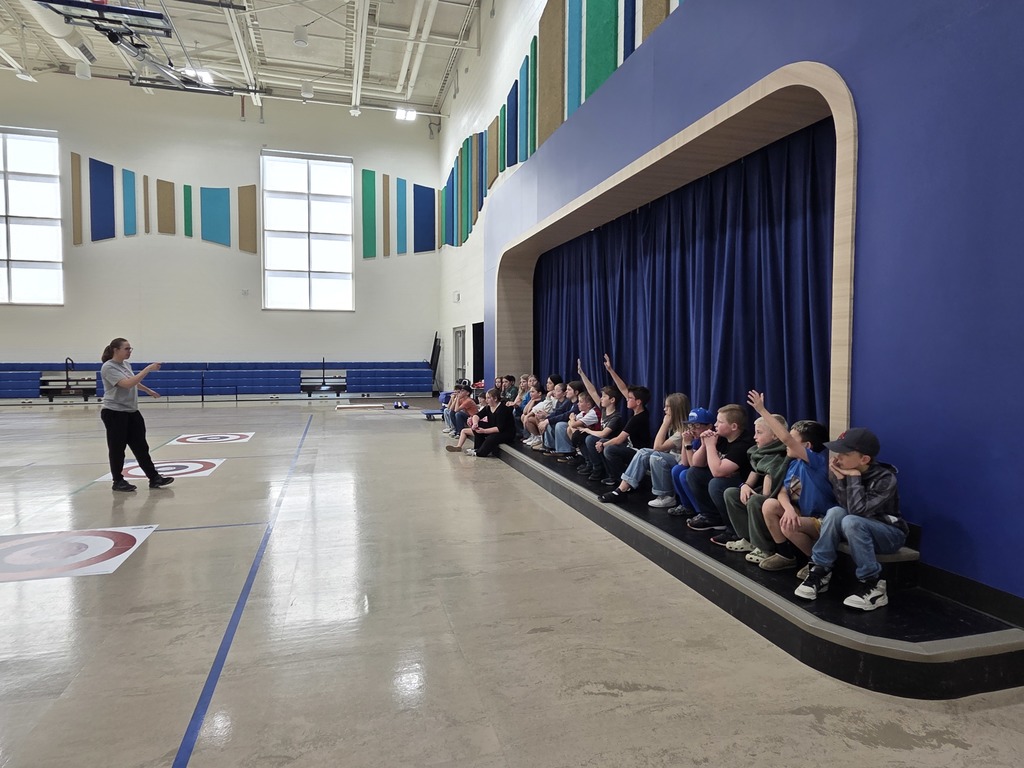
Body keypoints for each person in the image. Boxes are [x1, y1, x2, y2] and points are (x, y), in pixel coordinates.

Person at [794, 428, 908, 611]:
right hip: (859, 528)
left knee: (850, 520)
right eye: (837, 453)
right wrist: (840, 480)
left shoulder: (886, 478)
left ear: (864, 459)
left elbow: (857, 512)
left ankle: (873, 584)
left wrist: (852, 479)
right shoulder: (844, 472)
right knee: (835, 512)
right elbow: (846, 508)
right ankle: (820, 571)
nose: (837, 458)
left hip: (890, 534)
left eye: (845, 454)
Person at [746, 390, 834, 571]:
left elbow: (785, 437)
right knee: (770, 505)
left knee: (788, 526)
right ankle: (786, 554)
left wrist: (762, 410)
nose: (785, 443)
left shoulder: (817, 461)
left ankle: (818, 564)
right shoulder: (795, 464)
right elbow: (784, 491)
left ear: (807, 446)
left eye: (792, 441)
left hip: (823, 520)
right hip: (804, 514)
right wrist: (788, 509)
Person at [99, 338, 174, 492]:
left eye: (130, 348)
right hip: (115, 413)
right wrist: (147, 369)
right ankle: (118, 480)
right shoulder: (108, 367)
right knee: (117, 448)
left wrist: (147, 390)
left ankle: (154, 477)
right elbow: (126, 384)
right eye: (126, 348)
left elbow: (132, 381)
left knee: (141, 446)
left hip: (131, 411)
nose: (129, 351)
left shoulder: (125, 365)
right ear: (115, 350)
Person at [598, 392, 690, 505]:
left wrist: (664, 424)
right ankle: (621, 490)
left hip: (680, 461)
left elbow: (658, 447)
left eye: (667, 407)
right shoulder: (674, 426)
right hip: (671, 457)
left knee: (657, 456)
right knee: (643, 453)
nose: (664, 409)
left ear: (675, 409)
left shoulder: (682, 431)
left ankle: (666, 496)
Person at [717, 411, 790, 548]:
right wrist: (745, 486)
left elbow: (768, 492)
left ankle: (763, 546)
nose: (755, 437)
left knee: (755, 500)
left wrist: (755, 494)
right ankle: (747, 539)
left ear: (775, 435)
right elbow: (754, 473)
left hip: (775, 498)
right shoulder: (758, 452)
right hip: (762, 493)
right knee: (731, 493)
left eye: (759, 433)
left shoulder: (780, 455)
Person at [685, 404, 754, 531]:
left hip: (745, 484)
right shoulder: (721, 437)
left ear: (734, 427)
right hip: (729, 477)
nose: (715, 424)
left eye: (720, 422)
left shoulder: (744, 443)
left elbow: (717, 472)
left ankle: (732, 528)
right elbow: (696, 463)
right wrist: (705, 444)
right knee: (693, 473)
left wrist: (711, 445)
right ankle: (712, 517)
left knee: (717, 483)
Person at [593, 354, 652, 484]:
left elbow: (620, 439)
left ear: (638, 402)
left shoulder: (638, 418)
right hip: (630, 447)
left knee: (609, 448)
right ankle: (611, 475)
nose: (627, 399)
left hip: (638, 452)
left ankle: (623, 480)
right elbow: (623, 388)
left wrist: (603, 444)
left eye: (630, 398)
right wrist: (610, 370)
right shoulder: (637, 410)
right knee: (602, 441)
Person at [576, 360, 623, 480]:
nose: (601, 399)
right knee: (581, 436)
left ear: (612, 400)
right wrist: (582, 374)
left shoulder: (616, 416)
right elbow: (592, 391)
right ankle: (592, 464)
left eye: (604, 397)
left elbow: (604, 433)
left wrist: (587, 430)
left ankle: (601, 470)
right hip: (602, 439)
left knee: (591, 438)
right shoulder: (603, 409)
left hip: (612, 441)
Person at [667, 408, 714, 516]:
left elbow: (694, 465)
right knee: (677, 469)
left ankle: (702, 512)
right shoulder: (696, 438)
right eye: (690, 425)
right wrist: (685, 441)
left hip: (706, 474)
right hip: (697, 471)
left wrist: (688, 444)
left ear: (709, 426)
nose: (692, 429)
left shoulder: (710, 438)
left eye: (696, 425)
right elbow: (685, 462)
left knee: (686, 474)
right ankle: (687, 506)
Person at [445, 388, 516, 457]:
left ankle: (480, 453)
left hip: (506, 432)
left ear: (495, 399)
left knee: (491, 438)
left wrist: (484, 431)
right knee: (478, 427)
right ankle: (477, 448)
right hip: (494, 427)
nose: (486, 400)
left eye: (488, 398)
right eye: (486, 398)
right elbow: (477, 415)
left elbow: (499, 428)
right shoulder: (488, 407)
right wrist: (475, 423)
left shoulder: (502, 409)